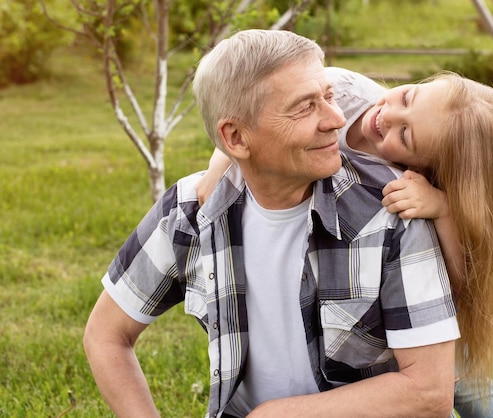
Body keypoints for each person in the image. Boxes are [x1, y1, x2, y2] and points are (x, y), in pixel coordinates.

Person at [83, 29, 461, 418]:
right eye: (304, 107)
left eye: (328, 97)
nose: (336, 120)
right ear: (235, 138)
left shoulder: (391, 210)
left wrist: (278, 415)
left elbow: (429, 392)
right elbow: (106, 335)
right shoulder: (190, 213)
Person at [196, 67, 493, 417]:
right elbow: (252, 111)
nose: (388, 116)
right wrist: (221, 163)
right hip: (355, 276)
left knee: (461, 378)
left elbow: (462, 284)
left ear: (426, 167)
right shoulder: (341, 92)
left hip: (419, 297)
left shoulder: (429, 186)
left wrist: (443, 210)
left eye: (406, 135)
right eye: (408, 97)